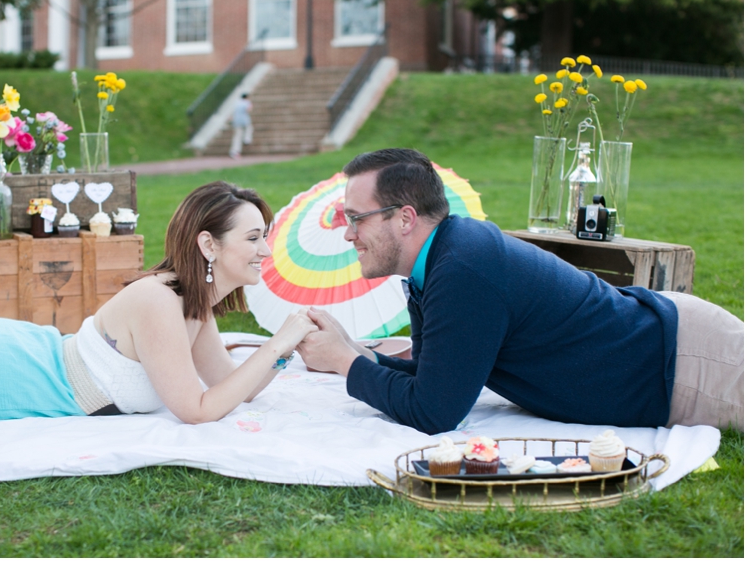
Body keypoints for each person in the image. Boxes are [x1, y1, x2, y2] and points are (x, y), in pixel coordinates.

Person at [296, 148, 744, 435]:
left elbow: (434, 412)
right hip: (670, 347)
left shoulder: (463, 269)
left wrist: (344, 362)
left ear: (406, 218)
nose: (348, 234)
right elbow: (438, 375)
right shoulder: (436, 264)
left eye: (356, 218)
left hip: (687, 364)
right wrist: (357, 352)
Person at [0, 182, 318, 426]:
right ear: (208, 245)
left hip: (29, 360)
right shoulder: (159, 300)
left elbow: (236, 388)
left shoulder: (194, 305)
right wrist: (278, 340)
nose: (265, 250)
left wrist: (286, 344)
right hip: (8, 370)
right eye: (254, 238)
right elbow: (196, 409)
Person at [229, 93, 253, 159]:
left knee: (237, 136)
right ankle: (247, 139)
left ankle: (234, 151)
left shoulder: (236, 103)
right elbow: (248, 110)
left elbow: (233, 113)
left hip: (236, 121)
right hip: (244, 120)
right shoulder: (247, 102)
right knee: (249, 128)